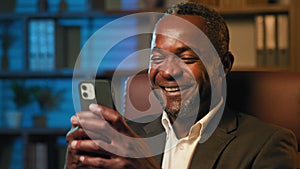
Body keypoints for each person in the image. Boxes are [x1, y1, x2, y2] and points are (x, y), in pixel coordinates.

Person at [65, 2, 298, 169]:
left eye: (186, 58)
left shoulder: (268, 145)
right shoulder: (129, 139)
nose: (168, 72)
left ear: (223, 66)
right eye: (157, 58)